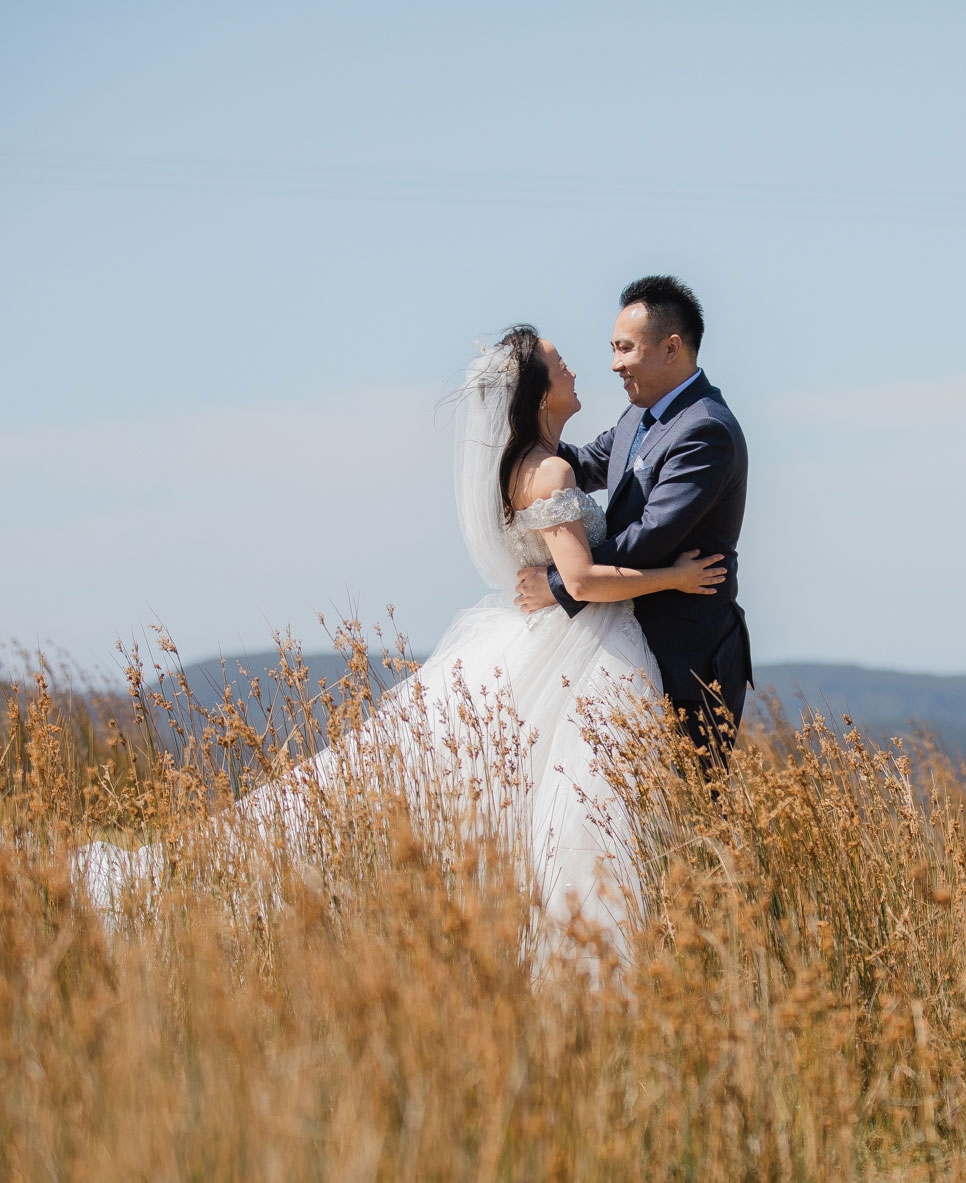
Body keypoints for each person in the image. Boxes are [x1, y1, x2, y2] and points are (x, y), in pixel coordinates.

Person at [75, 324, 725, 966]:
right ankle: (582, 947)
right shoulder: (549, 471)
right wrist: (678, 576)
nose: (577, 371)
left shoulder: (529, 463)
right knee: (565, 797)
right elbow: (579, 579)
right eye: (559, 365)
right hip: (572, 642)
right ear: (534, 391)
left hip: (547, 639)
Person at [513, 276, 752, 765]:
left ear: (671, 348)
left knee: (689, 822)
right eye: (613, 348)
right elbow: (585, 463)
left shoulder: (705, 430)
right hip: (624, 653)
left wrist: (561, 584)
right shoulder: (640, 415)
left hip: (687, 660)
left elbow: (652, 538)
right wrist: (519, 446)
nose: (614, 364)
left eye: (625, 349)